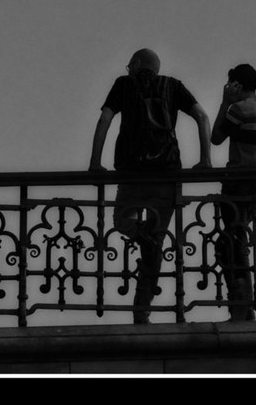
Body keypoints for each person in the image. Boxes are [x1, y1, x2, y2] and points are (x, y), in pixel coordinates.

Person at [88, 48, 212, 324]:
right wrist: (205, 160)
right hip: (167, 173)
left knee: (122, 221)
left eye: (129, 64)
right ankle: (141, 310)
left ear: (137, 64)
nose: (127, 68)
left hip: (132, 173)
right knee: (155, 239)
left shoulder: (123, 84)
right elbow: (202, 117)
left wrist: (95, 163)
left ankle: (140, 236)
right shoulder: (173, 86)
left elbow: (104, 119)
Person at [210, 63, 256, 321]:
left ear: (237, 84)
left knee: (230, 245)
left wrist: (224, 102)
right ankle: (243, 305)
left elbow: (216, 137)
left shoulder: (238, 110)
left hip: (237, 184)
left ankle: (242, 306)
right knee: (235, 242)